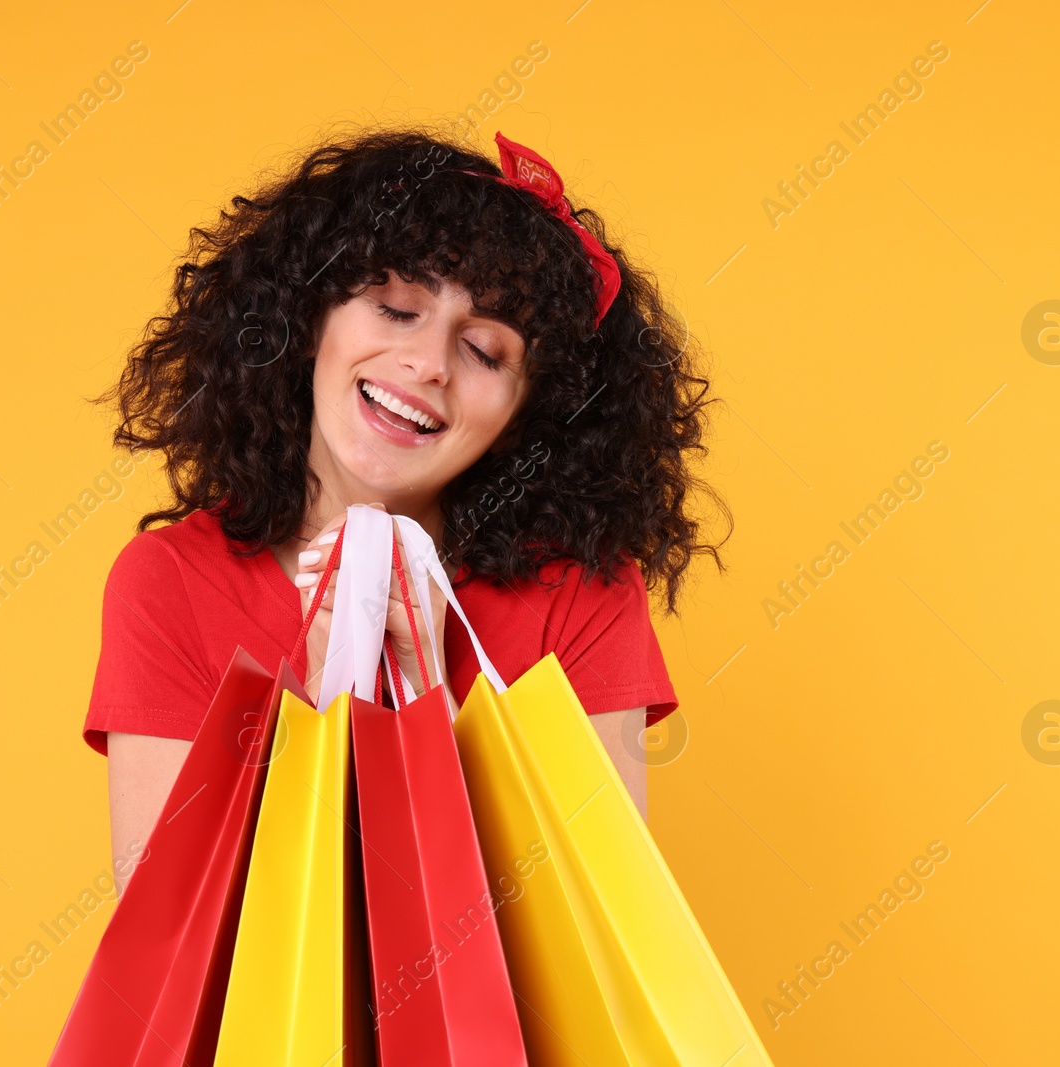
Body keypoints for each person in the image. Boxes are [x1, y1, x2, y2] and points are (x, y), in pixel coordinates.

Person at [83, 126, 728, 891]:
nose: (426, 362)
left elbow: (599, 935)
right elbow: (171, 947)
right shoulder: (169, 584)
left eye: (485, 351)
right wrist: (318, 728)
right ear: (309, 315)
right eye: (395, 310)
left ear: (529, 413)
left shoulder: (583, 598)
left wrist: (426, 709)